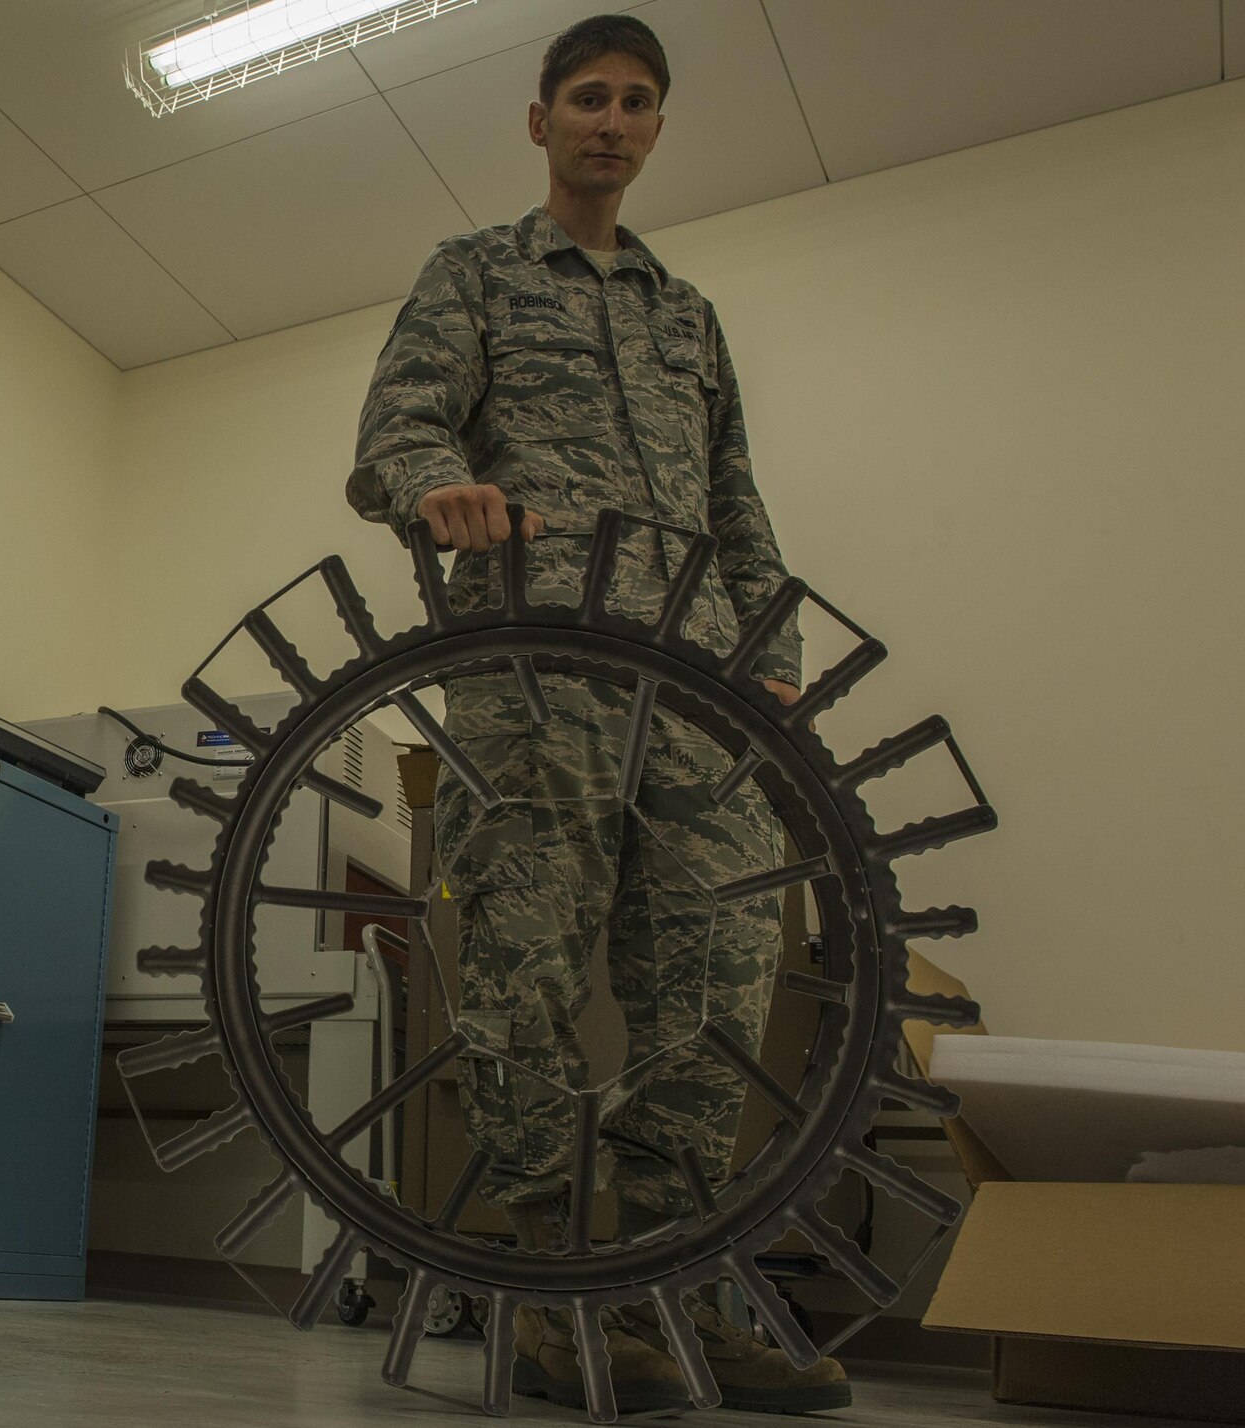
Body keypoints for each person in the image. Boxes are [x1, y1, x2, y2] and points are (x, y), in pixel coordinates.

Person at [346, 14, 849, 1417]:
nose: (610, 122)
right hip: (534, 671)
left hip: (695, 697)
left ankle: (667, 1302)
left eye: (634, 102)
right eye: (586, 99)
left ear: (656, 128)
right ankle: (562, 1304)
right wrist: (438, 486)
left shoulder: (690, 319)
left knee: (716, 993)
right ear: (542, 121)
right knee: (524, 978)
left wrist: (774, 656)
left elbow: (738, 507)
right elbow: (396, 433)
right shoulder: (477, 272)